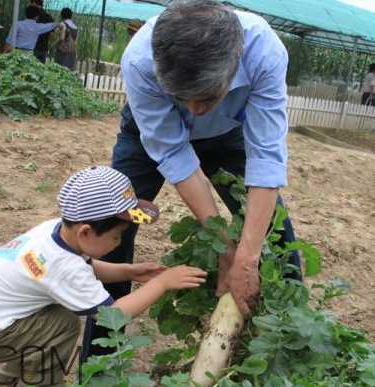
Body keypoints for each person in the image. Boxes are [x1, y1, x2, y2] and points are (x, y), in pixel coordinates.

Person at [82, 0, 302, 360]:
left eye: (206, 97)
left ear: (234, 64)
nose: (194, 111)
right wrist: (223, 243)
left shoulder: (264, 50)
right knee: (114, 221)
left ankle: (289, 334)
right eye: (182, 98)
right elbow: (173, 154)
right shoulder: (139, 60)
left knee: (274, 232)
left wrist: (246, 257)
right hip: (147, 137)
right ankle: (104, 341)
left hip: (230, 134)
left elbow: (266, 156)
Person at [0, 166, 206, 387]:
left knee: (42, 326)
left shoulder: (54, 231)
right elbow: (112, 316)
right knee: (61, 325)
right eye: (116, 236)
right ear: (85, 232)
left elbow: (84, 267)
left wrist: (128, 271)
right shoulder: (63, 267)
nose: (118, 244)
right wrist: (161, 283)